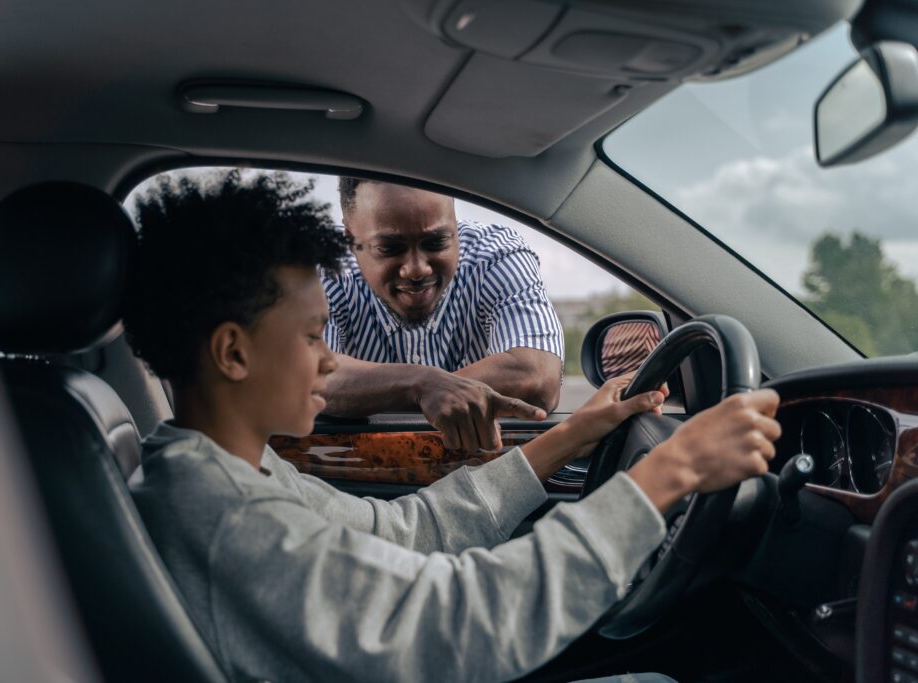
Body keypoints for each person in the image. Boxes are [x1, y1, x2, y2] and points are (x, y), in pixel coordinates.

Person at [123, 170, 781, 683]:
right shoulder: (227, 515)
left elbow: (406, 531)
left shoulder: (235, 472)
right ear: (234, 353)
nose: (330, 361)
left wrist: (573, 433)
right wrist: (674, 470)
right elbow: (453, 622)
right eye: (313, 336)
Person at [322, 178, 565, 450]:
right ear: (349, 238)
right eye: (389, 248)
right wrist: (420, 385)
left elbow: (536, 376)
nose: (417, 270)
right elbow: (308, 375)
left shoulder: (496, 256)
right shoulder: (319, 263)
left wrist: (426, 391)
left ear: (455, 226)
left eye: (436, 242)